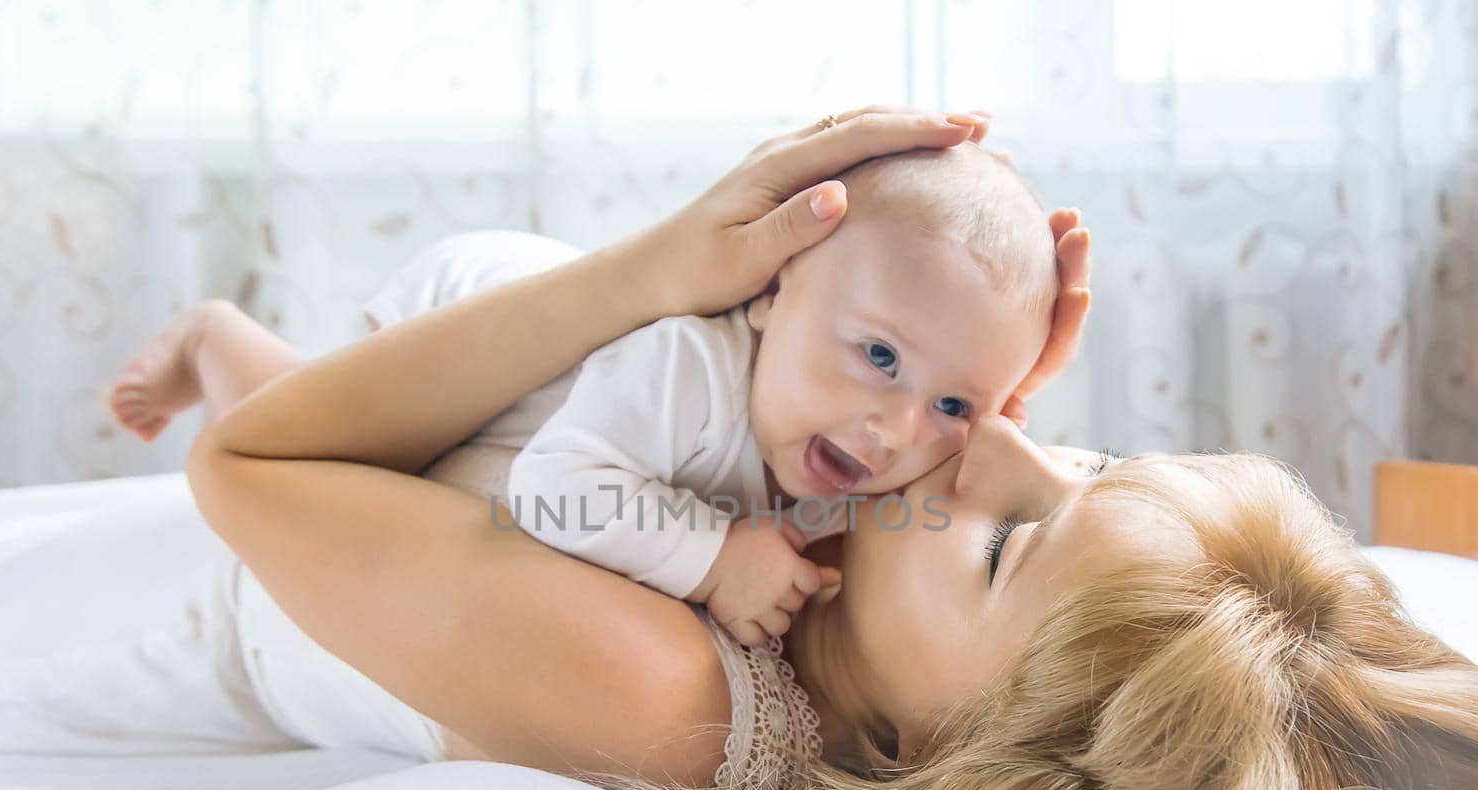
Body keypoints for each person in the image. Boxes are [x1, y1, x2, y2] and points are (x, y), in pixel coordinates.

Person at [0, 108, 1478, 790]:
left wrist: (663, 268)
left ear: (959, 744)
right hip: (267, 516)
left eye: (1012, 531)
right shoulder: (849, 565)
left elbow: (249, 470)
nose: (997, 449)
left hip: (93, 623)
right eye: (1088, 453)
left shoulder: (683, 699)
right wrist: (952, 382)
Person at [111, 137, 1063, 647]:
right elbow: (554, 485)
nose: (897, 426)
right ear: (774, 291)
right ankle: (216, 339)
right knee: (316, 432)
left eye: (955, 406)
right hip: (479, 324)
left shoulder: (843, 439)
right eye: (881, 357)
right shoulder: (688, 371)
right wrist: (713, 558)